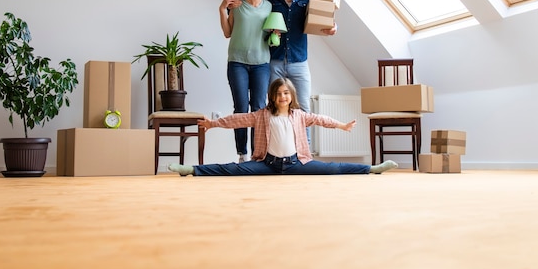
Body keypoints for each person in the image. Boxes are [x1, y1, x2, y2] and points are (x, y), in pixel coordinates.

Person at [168, 78, 397, 176]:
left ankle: (371, 169)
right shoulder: (262, 115)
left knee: (333, 168)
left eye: (286, 93)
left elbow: (320, 119)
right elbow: (237, 119)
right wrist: (213, 124)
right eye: (278, 94)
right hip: (267, 165)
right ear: (272, 97)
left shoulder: (299, 115)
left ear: (291, 95)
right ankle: (192, 170)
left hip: (297, 164)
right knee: (233, 169)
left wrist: (341, 125)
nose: (282, 96)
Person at [261, 0, 338, 149]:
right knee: (274, 108)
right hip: (274, 61)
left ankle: (305, 153)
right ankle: (276, 151)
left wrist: (333, 26)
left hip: (299, 61)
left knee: (303, 109)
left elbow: (326, 15)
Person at [219, 0, 272, 163]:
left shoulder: (269, 6)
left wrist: (275, 33)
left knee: (259, 108)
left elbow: (271, 34)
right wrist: (221, 10)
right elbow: (227, 32)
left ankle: (257, 155)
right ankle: (242, 154)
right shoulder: (237, 6)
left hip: (261, 63)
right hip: (237, 62)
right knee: (241, 108)